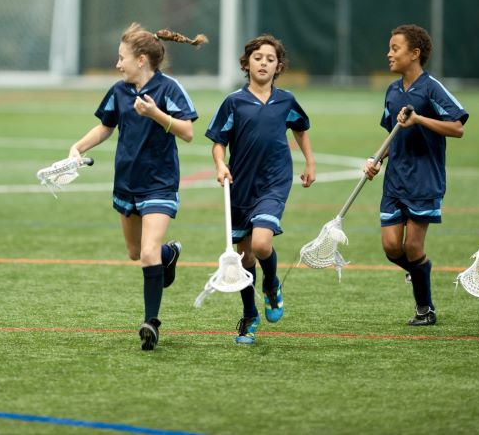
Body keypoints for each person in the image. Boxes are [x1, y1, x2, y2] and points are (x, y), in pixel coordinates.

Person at [69, 22, 207, 351]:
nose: (118, 64)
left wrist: (155, 112)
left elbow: (187, 132)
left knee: (147, 252)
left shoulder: (169, 88)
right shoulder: (119, 91)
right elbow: (105, 127)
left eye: (122, 58)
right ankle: (169, 254)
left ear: (141, 59)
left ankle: (151, 322)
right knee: (136, 253)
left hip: (160, 184)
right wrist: (78, 147)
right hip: (127, 184)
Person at [206, 34, 316, 345]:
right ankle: (250, 315)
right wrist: (220, 164)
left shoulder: (286, 100)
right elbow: (218, 143)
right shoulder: (234, 102)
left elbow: (301, 128)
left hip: (274, 181)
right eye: (258, 58)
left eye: (270, 58)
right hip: (241, 183)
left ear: (278, 66)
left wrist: (310, 162)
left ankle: (271, 284)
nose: (263, 63)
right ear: (247, 64)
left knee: (262, 244)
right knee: (243, 259)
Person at [364, 24, 467, 328]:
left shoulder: (431, 87)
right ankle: (419, 271)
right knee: (391, 247)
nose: (389, 54)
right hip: (395, 178)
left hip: (425, 178)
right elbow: (391, 135)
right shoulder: (393, 91)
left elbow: (458, 127)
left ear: (415, 53)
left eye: (395, 48)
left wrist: (420, 119)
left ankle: (425, 308)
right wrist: (375, 159)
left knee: (413, 247)